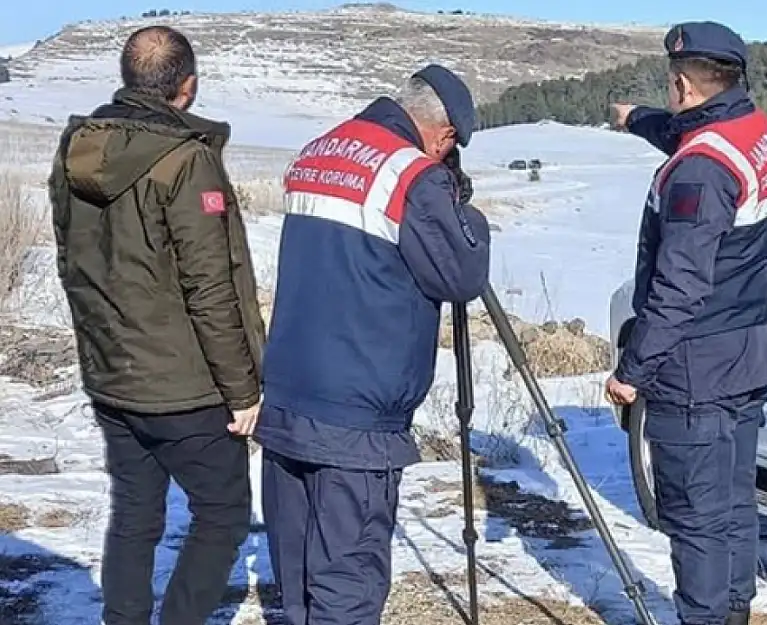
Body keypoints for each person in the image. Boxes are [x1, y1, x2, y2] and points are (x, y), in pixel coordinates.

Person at [255, 64, 491, 625]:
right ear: (444, 133)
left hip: (289, 394)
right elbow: (461, 276)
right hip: (357, 415)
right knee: (348, 584)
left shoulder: (320, 149)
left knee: (299, 581)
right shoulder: (414, 175)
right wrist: (464, 209)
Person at [47, 25, 265, 625]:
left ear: (129, 80)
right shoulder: (184, 160)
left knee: (137, 509)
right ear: (187, 87)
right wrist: (244, 389)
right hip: (181, 387)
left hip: (111, 372)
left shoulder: (78, 150)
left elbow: (74, 261)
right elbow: (211, 286)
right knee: (222, 513)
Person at [605, 21, 767, 625]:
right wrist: (637, 119)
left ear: (683, 83)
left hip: (697, 368)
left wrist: (631, 373)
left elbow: (678, 288)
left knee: (696, 518)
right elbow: (690, 136)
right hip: (749, 351)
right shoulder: (754, 131)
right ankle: (735, 611)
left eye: (671, 84)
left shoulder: (698, 173)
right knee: (734, 501)